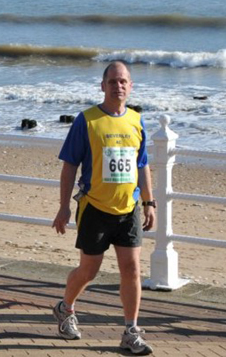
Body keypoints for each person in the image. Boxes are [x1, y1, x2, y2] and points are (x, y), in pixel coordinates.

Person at [51, 61, 155, 355]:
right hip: (94, 208)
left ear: (130, 86)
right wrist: (63, 208)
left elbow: (142, 164)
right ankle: (65, 308)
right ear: (103, 85)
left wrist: (149, 202)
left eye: (123, 81)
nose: (118, 86)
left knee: (132, 269)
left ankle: (131, 331)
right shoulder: (87, 120)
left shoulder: (136, 120)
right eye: (112, 81)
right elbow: (69, 165)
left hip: (129, 208)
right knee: (89, 270)